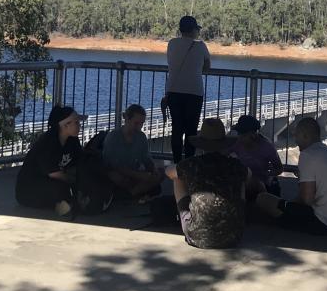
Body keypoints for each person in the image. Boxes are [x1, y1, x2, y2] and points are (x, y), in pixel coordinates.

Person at [255, 116, 327, 234]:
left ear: (305, 136)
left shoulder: (307, 155)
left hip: (325, 224)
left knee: (263, 198)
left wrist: (287, 206)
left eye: (296, 135)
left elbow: (306, 200)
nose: (295, 140)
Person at [165, 118, 248, 249]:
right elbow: (249, 174)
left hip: (198, 237)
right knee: (241, 179)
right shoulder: (234, 165)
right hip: (234, 236)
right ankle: (236, 216)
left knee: (178, 178)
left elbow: (169, 172)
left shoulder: (192, 164)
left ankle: (187, 215)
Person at [15, 105, 84, 216]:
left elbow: (80, 161)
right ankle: (64, 206)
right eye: (76, 123)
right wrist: (74, 181)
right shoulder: (47, 143)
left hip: (52, 182)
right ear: (64, 126)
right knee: (61, 188)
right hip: (29, 189)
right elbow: (54, 174)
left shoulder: (72, 141)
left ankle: (67, 204)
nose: (79, 126)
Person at [165, 15, 211, 162]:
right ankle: (189, 163)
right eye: (197, 29)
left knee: (177, 129)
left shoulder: (172, 43)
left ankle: (177, 163)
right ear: (193, 30)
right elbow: (207, 67)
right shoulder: (201, 46)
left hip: (173, 91)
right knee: (191, 131)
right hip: (194, 92)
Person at [102, 104, 164, 199]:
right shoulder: (113, 137)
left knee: (161, 174)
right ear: (127, 119)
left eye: (141, 124)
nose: (139, 127)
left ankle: (130, 193)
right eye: (136, 123)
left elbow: (146, 159)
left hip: (134, 173)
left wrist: (154, 170)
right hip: (118, 173)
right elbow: (112, 165)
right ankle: (135, 192)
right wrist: (139, 175)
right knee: (116, 177)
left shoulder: (141, 137)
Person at [230, 114, 284, 196]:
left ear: (252, 135)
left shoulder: (267, 147)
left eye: (243, 135)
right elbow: (224, 153)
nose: (239, 137)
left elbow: (279, 168)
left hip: (263, 185)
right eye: (239, 134)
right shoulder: (238, 143)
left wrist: (266, 174)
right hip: (244, 183)